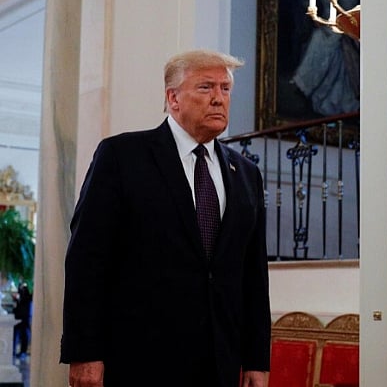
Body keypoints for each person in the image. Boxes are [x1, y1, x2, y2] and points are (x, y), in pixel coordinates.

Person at [60, 50, 271, 387]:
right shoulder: (122, 157)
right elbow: (88, 260)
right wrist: (84, 351)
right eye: (205, 87)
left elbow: (253, 275)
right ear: (173, 98)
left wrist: (256, 359)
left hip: (219, 363)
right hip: (139, 359)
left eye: (225, 89)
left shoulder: (246, 173)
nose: (219, 98)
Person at [13, 282, 32, 358]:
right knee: (15, 334)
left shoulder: (28, 287)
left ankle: (23, 352)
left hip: (25, 315)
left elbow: (28, 298)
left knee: (24, 334)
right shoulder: (19, 286)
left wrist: (18, 297)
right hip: (17, 314)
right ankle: (14, 351)